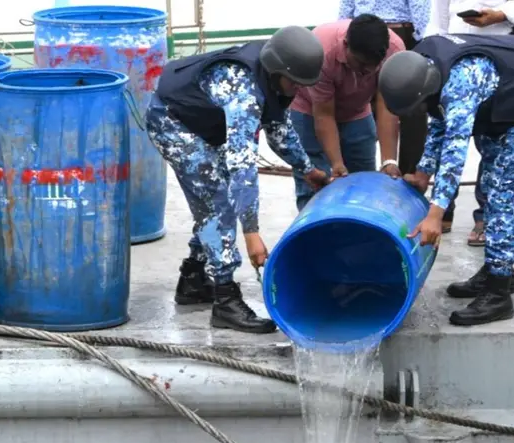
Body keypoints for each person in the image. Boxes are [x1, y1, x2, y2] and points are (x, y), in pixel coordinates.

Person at [146, 26, 331, 334]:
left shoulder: (274, 79)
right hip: (172, 122)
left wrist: (308, 169)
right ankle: (225, 300)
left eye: (303, 85)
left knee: (216, 201)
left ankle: (193, 280)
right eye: (295, 83)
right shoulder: (242, 88)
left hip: (203, 124)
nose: (298, 90)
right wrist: (252, 232)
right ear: (277, 71)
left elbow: (279, 131)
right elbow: (242, 164)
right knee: (217, 204)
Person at [378, 33, 514, 326]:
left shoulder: (459, 84)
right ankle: (497, 270)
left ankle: (500, 293)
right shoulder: (426, 70)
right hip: (500, 96)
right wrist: (424, 172)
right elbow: (439, 120)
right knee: (489, 183)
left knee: (506, 190)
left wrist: (436, 214)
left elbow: (455, 148)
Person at [428, 0, 514, 247]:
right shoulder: (446, 79)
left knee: (502, 163)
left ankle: (494, 244)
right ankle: (448, 210)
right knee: (470, 137)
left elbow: (456, 142)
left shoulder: (464, 82)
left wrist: (500, 15)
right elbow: (439, 18)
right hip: (458, 49)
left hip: (503, 58)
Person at [289, 14, 405, 211]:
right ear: (345, 45)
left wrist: (389, 161)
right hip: (309, 110)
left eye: (374, 65)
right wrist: (336, 164)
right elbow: (324, 114)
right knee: (316, 185)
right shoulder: (321, 52)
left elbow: (386, 105)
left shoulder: (395, 50)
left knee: (364, 183)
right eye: (361, 64)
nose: (367, 71)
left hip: (357, 110)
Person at [337, 0, 436, 222]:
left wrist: (421, 45)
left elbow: (420, 9)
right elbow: (346, 11)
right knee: (361, 112)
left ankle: (407, 188)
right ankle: (366, 188)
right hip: (361, 38)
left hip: (399, 34)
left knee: (411, 112)